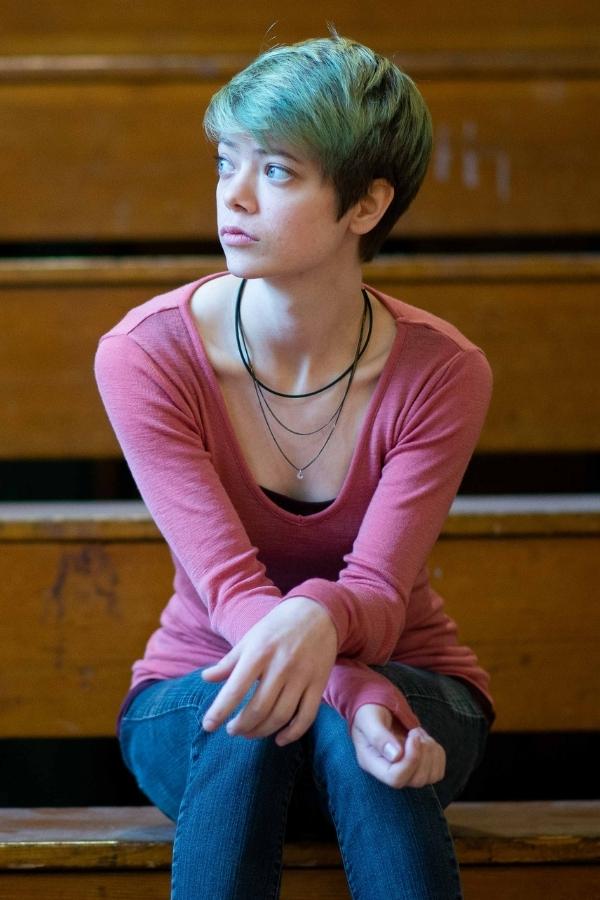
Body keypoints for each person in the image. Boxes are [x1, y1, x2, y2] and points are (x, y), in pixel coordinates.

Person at [95, 32, 494, 900]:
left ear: (366, 204)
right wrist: (340, 684)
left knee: (360, 739)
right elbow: (229, 594)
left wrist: (350, 674)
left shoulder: (442, 371)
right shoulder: (147, 355)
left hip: (417, 691)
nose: (232, 195)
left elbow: (382, 600)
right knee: (254, 714)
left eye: (276, 172)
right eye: (226, 161)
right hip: (192, 692)